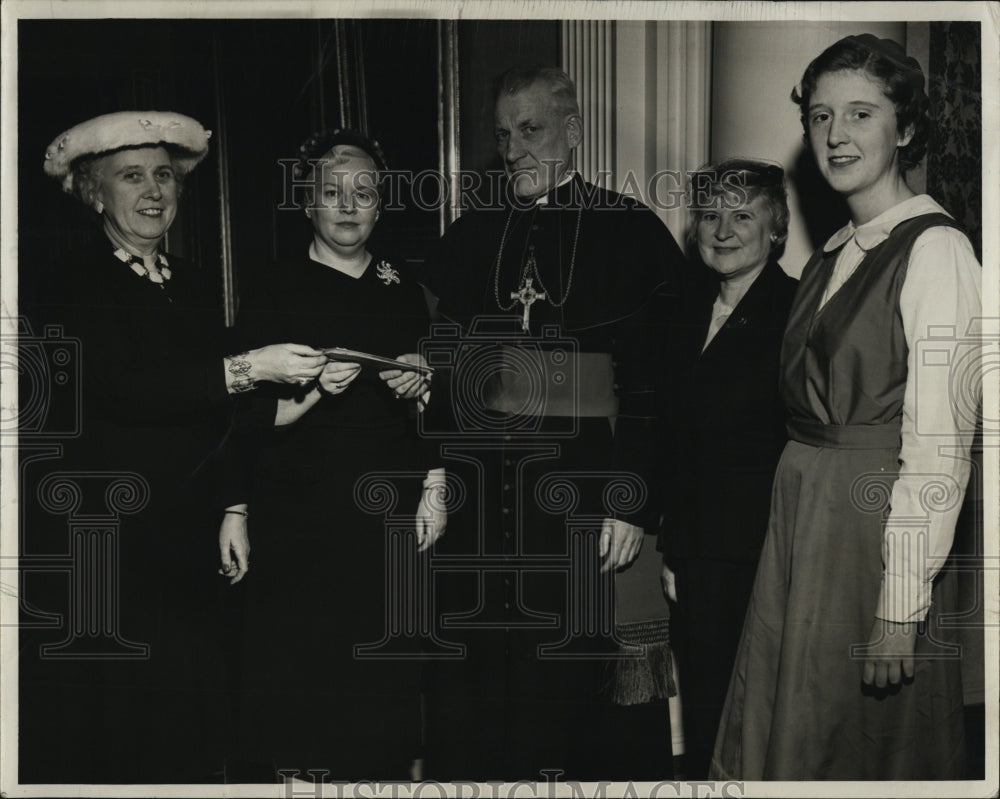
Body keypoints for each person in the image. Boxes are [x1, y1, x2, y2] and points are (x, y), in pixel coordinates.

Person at [22, 111, 328, 783]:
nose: (153, 190)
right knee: (119, 731)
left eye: (165, 175)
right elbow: (128, 387)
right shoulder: (69, 281)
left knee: (189, 724)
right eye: (131, 176)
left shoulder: (190, 283)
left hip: (184, 540)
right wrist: (254, 367)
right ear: (94, 193)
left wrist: (288, 407)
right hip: (108, 541)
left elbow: (214, 408)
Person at [710, 34, 981, 780]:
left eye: (861, 114)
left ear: (908, 127)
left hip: (872, 532)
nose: (836, 135)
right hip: (803, 515)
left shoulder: (937, 252)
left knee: (854, 743)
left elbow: (939, 445)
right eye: (821, 116)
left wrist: (900, 607)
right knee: (793, 727)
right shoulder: (833, 251)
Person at [420, 66, 686, 780]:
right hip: (486, 494)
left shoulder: (630, 230)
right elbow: (446, 360)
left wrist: (631, 495)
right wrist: (439, 469)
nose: (512, 150)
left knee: (573, 677)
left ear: (571, 134)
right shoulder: (474, 231)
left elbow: (655, 382)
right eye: (503, 135)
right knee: (489, 667)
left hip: (584, 488)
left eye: (529, 131)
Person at [219, 129, 446, 782]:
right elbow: (242, 415)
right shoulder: (275, 286)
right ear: (309, 204)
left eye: (363, 191)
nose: (348, 205)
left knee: (383, 689)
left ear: (381, 205)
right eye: (331, 191)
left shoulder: (405, 288)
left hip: (386, 522)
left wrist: (434, 473)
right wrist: (317, 388)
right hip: (299, 520)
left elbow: (435, 403)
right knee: (302, 692)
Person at [659, 158, 798, 779]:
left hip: (764, 545)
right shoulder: (686, 311)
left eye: (743, 215)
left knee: (763, 708)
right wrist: (672, 542)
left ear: (777, 229)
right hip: (696, 545)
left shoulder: (799, 311)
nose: (722, 228)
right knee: (710, 699)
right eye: (710, 214)